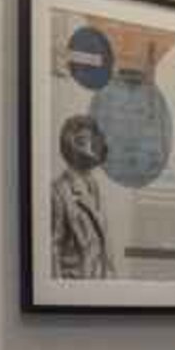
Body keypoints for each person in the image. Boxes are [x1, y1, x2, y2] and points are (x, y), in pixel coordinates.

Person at [51, 114, 115, 279]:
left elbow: (103, 244)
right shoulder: (58, 191)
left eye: (93, 139)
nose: (92, 146)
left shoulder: (94, 186)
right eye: (83, 141)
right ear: (71, 146)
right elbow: (53, 248)